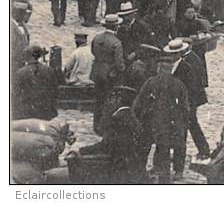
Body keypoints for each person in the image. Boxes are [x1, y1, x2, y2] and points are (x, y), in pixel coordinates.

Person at [133, 55, 191, 183]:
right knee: (165, 147)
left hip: (150, 121)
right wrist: (182, 122)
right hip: (171, 124)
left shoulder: (150, 82)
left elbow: (139, 102)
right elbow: (185, 107)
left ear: (159, 68)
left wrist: (137, 117)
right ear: (170, 70)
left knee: (144, 146)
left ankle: (141, 171)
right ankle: (172, 173)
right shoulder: (179, 84)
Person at [73, 104, 148, 183]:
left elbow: (103, 146)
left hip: (121, 172)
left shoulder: (116, 124)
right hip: (137, 170)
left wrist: (80, 151)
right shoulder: (132, 121)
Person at [166, 39, 211, 161]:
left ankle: (202, 150)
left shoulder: (189, 63)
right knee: (189, 125)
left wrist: (187, 104)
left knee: (189, 125)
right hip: (183, 101)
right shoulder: (176, 63)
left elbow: (192, 86)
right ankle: (200, 150)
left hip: (189, 101)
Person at [91, 14, 126, 132]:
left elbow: (93, 52)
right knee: (108, 100)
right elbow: (119, 64)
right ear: (116, 26)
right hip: (110, 75)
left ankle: (96, 125)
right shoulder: (117, 42)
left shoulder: (96, 38)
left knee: (98, 99)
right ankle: (104, 126)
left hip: (97, 72)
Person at [12, 45, 60, 120]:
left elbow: (16, 94)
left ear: (27, 56)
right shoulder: (49, 70)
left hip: (26, 112)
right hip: (45, 111)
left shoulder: (20, 72)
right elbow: (55, 91)